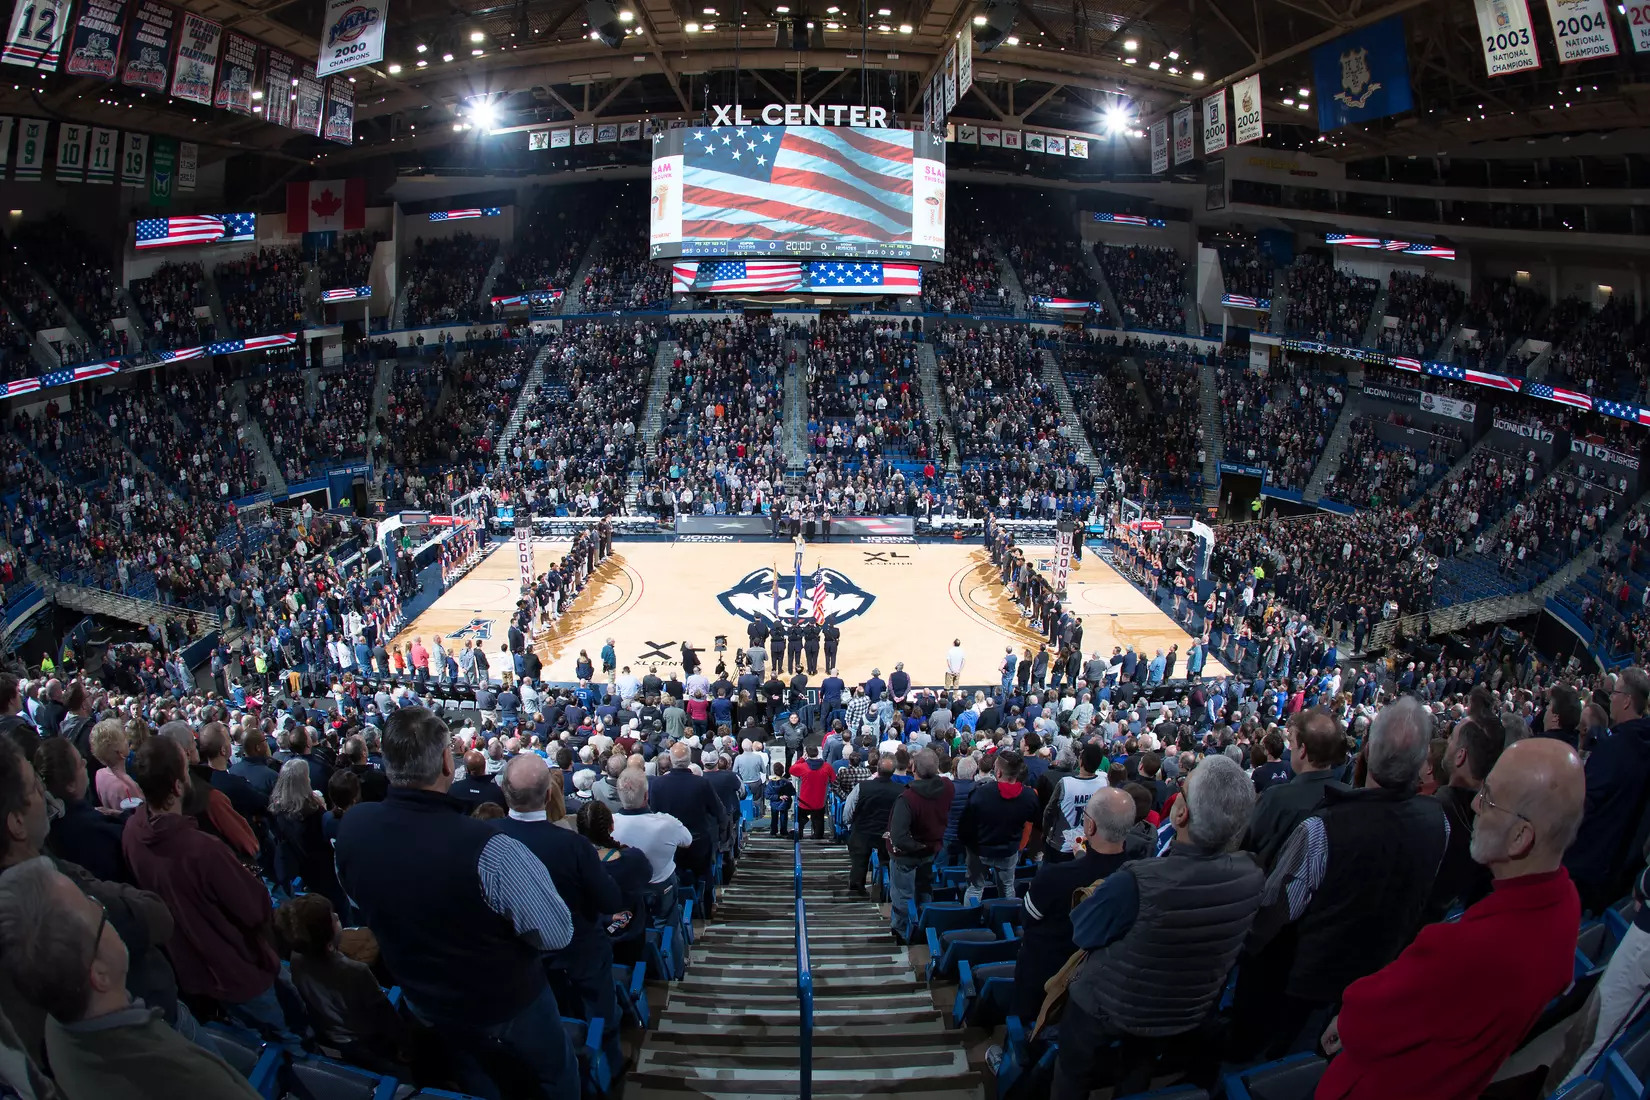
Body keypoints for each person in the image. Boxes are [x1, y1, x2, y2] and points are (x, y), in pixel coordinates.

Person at [1317, 738, 1586, 1099]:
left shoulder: (1465, 948)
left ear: (1521, 836)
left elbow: (1365, 1020)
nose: (1475, 803)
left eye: (1489, 798)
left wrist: (1346, 1019)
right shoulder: (1567, 905)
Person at [333, 707, 578, 1100]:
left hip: (423, 999)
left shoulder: (353, 826)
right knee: (554, 1077)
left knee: (474, 1076)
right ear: (448, 762)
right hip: (506, 1003)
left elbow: (355, 898)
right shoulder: (491, 850)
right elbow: (557, 934)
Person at [1238, 696, 1448, 1059]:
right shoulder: (1438, 822)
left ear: (1366, 750)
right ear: (1420, 764)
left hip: (1302, 988)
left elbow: (1272, 912)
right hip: (1374, 978)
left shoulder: (1323, 829)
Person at [1053, 755, 1264, 1099]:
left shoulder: (1139, 880)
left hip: (1109, 1006)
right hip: (1182, 1009)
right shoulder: (1253, 875)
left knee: (1072, 1071)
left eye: (1182, 788)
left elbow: (1084, 933)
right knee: (1140, 1066)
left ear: (1181, 814)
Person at [0, 857, 263, 1100]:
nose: (107, 911)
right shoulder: (186, 1079)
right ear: (99, 974)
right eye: (100, 911)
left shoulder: (57, 1027)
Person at [121, 737, 293, 1040]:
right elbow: (255, 910)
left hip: (194, 970)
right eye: (187, 770)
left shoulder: (132, 833)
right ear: (177, 786)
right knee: (285, 1036)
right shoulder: (202, 849)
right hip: (239, 970)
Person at [496, 754, 624, 1072]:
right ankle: (610, 1065)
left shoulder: (485, 835)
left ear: (504, 793)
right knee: (601, 1014)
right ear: (551, 794)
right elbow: (610, 901)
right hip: (578, 953)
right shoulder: (574, 845)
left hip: (516, 958)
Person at [1015, 787, 1136, 1025]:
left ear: (1089, 827)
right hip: (1106, 987)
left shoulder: (1053, 877)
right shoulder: (1138, 874)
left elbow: (1027, 918)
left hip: (1046, 979)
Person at [275, 892, 409, 1074]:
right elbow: (383, 1012)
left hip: (335, 1036)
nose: (338, 917)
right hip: (366, 1037)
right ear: (327, 939)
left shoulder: (296, 958)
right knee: (389, 1069)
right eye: (334, 920)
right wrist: (403, 1042)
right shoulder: (355, 971)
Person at [1565, 666, 1650, 911]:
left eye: (1614, 693)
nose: (1610, 698)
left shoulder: (1614, 749)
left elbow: (1584, 803)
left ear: (1627, 701)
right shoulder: (1641, 744)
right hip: (1617, 869)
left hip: (1587, 868)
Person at [1241, 708, 1350, 871]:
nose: (1289, 750)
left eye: (1291, 744)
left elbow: (1246, 848)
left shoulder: (1275, 799)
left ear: (1303, 750)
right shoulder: (1349, 796)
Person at [1423, 712, 1502, 922]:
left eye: (1451, 739)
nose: (1447, 743)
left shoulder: (1433, 812)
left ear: (1460, 756)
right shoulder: (1495, 821)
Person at [888, 749, 953, 943]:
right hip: (931, 849)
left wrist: (917, 846)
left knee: (903, 894)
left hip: (909, 854)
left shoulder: (908, 798)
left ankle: (901, 932)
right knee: (924, 888)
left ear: (913, 767)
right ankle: (925, 929)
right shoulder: (948, 787)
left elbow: (898, 837)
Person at [960, 750, 1040, 902]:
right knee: (1007, 887)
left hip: (980, 850)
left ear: (998, 772)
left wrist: (970, 848)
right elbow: (1037, 824)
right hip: (1008, 850)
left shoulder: (981, 793)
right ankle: (1008, 918)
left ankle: (970, 920)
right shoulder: (1029, 797)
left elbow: (964, 827)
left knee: (975, 888)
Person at [268, 759, 346, 912]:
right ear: (303, 782)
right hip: (322, 870)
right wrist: (324, 810)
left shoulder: (277, 809)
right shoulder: (312, 812)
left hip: (299, 870)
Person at [649, 746, 727, 884]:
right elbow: (718, 811)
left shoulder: (657, 784)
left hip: (669, 846)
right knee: (704, 876)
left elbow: (653, 815)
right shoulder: (702, 783)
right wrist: (721, 836)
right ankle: (707, 901)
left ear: (670, 760)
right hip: (697, 845)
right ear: (689, 760)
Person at [610, 768, 695, 885]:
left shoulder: (607, 825)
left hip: (623, 892)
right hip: (661, 891)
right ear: (646, 796)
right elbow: (688, 841)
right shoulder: (668, 823)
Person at [842, 757, 901, 897]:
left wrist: (849, 824)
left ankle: (857, 888)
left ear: (877, 770)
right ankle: (884, 892)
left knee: (859, 861)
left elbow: (848, 810)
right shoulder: (900, 790)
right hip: (887, 833)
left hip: (862, 831)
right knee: (886, 862)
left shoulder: (862, 786)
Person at [789, 745, 836, 841]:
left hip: (804, 800)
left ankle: (800, 834)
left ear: (807, 754)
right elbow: (834, 779)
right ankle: (818, 835)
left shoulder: (803, 767)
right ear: (818, 753)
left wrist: (801, 759)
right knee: (818, 819)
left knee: (800, 818)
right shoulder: (827, 767)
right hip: (819, 800)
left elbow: (791, 769)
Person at [765, 763, 795, 838]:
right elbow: (793, 792)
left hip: (774, 803)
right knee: (784, 817)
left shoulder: (771, 783)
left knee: (774, 817)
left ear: (774, 771)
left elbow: (767, 795)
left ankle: (773, 831)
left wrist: (778, 797)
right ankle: (783, 831)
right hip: (784, 803)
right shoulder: (787, 783)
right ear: (783, 771)